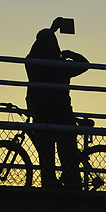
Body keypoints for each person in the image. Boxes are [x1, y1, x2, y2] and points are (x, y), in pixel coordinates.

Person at [25, 18, 90, 188]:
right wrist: (70, 54)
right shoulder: (59, 65)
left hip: (50, 114)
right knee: (56, 155)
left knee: (57, 155)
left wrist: (51, 31)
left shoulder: (37, 64)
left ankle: (64, 185)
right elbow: (84, 64)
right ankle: (66, 185)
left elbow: (85, 65)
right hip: (57, 114)